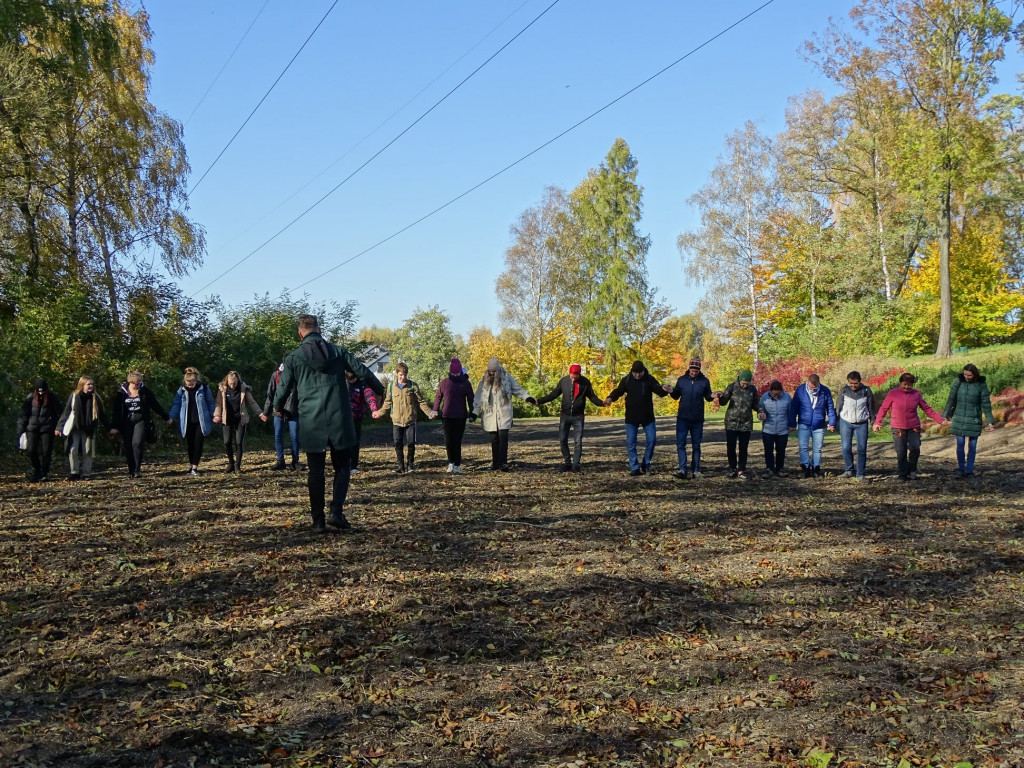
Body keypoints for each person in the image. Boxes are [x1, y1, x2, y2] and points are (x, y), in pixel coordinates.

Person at [274, 314, 385, 532]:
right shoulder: (338, 352)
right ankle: (336, 512)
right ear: (319, 330)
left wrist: (277, 406)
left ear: (300, 334)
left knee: (315, 471)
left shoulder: (294, 357)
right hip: (339, 418)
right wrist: (380, 390)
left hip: (311, 420)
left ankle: (318, 521)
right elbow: (363, 371)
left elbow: (283, 387)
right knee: (342, 466)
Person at [873, 372, 947, 481]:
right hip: (898, 427)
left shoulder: (916, 394)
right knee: (901, 450)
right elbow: (884, 408)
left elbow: (927, 408)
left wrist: (940, 420)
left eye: (909, 385)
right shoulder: (893, 393)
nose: (907, 387)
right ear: (900, 383)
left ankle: (912, 470)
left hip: (913, 426)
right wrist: (877, 422)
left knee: (915, 448)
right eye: (905, 384)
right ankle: (903, 474)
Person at [537, 363, 605, 472]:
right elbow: (553, 394)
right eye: (571, 376)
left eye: (575, 377)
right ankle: (567, 462)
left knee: (578, 441)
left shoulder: (585, 382)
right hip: (565, 415)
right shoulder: (564, 381)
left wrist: (602, 403)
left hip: (578, 416)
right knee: (562, 440)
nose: (573, 379)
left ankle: (576, 464)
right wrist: (539, 401)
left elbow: (592, 397)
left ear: (579, 374)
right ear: (569, 373)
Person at [472, 356, 537, 471]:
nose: (491, 373)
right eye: (489, 371)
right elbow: (478, 397)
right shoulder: (484, 380)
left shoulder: (507, 378)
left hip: (504, 413)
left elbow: (517, 389)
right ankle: (495, 464)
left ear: (497, 370)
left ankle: (503, 463)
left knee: (503, 437)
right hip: (490, 415)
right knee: (494, 439)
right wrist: (474, 413)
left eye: (493, 371)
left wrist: (527, 397)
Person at [606, 360, 667, 476]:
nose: (637, 375)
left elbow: (659, 391)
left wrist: (665, 389)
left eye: (640, 373)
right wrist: (610, 398)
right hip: (631, 416)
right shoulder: (627, 380)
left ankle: (646, 463)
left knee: (652, 440)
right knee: (631, 442)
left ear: (643, 371)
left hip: (647, 416)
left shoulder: (649, 379)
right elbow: (618, 391)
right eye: (635, 373)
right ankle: (634, 466)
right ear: (632, 371)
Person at [372, 362, 434, 473]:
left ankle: (410, 465)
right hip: (396, 420)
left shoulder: (413, 386)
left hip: (410, 420)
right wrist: (379, 413)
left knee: (411, 443)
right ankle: (400, 465)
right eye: (401, 375)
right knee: (397, 443)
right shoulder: (391, 386)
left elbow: (421, 401)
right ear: (397, 374)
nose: (403, 377)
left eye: (405, 375)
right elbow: (387, 402)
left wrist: (429, 413)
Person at [110, 371, 171, 478]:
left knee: (137, 443)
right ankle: (131, 470)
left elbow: (155, 405)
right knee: (128, 445)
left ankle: (137, 469)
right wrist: (114, 426)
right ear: (130, 382)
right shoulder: (121, 392)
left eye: (139, 381)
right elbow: (117, 411)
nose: (138, 384)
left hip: (140, 419)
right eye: (135, 382)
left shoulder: (144, 391)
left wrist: (166, 417)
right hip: (127, 421)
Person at [942, 363, 995, 478]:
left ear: (974, 374)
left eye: (969, 375)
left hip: (974, 419)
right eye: (965, 374)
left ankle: (969, 470)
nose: (966, 377)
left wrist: (990, 421)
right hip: (959, 418)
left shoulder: (981, 384)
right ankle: (961, 468)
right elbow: (951, 399)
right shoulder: (958, 382)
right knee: (960, 445)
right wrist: (945, 415)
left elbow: (986, 404)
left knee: (972, 446)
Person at [665, 358, 715, 479]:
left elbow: (708, 396)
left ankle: (696, 470)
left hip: (697, 419)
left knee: (696, 445)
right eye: (692, 371)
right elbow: (676, 395)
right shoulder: (682, 380)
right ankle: (682, 469)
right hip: (683, 418)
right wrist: (671, 391)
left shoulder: (704, 381)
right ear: (689, 369)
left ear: (699, 370)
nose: (694, 373)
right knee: (681, 444)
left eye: (696, 371)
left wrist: (712, 396)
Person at [55, 376, 108, 480]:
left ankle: (86, 473)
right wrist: (59, 427)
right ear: (82, 385)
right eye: (88, 384)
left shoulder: (95, 397)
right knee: (73, 449)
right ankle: (74, 472)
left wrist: (110, 428)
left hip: (89, 428)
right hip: (75, 427)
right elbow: (67, 411)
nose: (91, 386)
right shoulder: (74, 396)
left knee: (87, 450)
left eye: (92, 384)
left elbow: (102, 414)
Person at [213, 371, 267, 472]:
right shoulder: (222, 389)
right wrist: (217, 415)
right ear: (227, 381)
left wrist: (260, 413)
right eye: (230, 383)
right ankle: (231, 463)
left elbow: (251, 402)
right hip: (227, 418)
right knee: (227, 442)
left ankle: (237, 465)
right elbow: (218, 403)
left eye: (234, 383)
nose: (232, 386)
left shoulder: (243, 389)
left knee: (239, 442)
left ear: (238, 381)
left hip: (240, 418)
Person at [168, 367, 216, 475]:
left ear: (196, 380)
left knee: (198, 443)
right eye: (188, 383)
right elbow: (176, 404)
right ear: (185, 381)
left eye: (192, 383)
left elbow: (210, 403)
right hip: (187, 421)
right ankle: (191, 466)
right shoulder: (181, 390)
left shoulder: (204, 388)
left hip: (201, 421)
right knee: (190, 444)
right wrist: (171, 416)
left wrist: (214, 415)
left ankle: (195, 467)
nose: (190, 385)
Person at [432, 358, 475, 474]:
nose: (455, 375)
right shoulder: (445, 382)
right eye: (453, 373)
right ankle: (450, 462)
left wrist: (473, 413)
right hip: (447, 416)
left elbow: (471, 399)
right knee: (448, 440)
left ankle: (457, 464)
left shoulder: (465, 383)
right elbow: (438, 397)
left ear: (460, 371)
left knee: (457, 440)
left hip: (460, 416)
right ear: (450, 371)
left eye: (457, 373)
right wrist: (435, 410)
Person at [789, 373, 836, 478]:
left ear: (818, 383)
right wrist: (792, 423)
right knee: (803, 447)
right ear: (808, 382)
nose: (813, 389)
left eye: (815, 387)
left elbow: (830, 407)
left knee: (817, 449)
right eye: (811, 387)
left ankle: (816, 468)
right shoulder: (800, 390)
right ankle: (805, 467)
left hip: (819, 424)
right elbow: (794, 408)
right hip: (804, 423)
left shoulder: (825, 391)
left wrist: (832, 422)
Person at [716, 369, 759, 480]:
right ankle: (732, 468)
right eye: (743, 383)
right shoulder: (731, 387)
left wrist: (761, 411)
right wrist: (720, 396)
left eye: (747, 384)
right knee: (731, 447)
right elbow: (723, 402)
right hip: (731, 422)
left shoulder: (752, 389)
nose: (745, 386)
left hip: (746, 423)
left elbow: (755, 404)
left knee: (743, 447)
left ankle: (741, 469)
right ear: (739, 380)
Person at [17, 378, 62, 482]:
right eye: (39, 391)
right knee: (31, 450)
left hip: (47, 428)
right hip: (32, 428)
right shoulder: (30, 398)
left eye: (43, 391)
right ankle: (37, 471)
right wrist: (21, 430)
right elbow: (24, 415)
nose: (41, 393)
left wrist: (58, 427)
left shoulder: (52, 398)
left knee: (46, 451)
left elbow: (59, 413)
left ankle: (45, 472)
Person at [834, 371, 875, 481]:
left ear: (860, 381)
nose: (853, 386)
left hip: (862, 423)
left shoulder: (866, 391)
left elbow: (871, 407)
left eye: (855, 383)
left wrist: (873, 422)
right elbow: (838, 407)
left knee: (862, 448)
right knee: (846, 447)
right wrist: (833, 422)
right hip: (846, 422)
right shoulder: (844, 390)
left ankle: (860, 473)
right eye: (851, 383)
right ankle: (849, 470)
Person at [265, 362, 301, 471]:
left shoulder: (297, 374)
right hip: (278, 410)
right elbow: (270, 393)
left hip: (293, 409)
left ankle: (295, 461)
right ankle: (280, 461)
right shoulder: (276, 375)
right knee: (278, 436)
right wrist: (266, 412)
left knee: (295, 437)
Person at [347, 369, 379, 474]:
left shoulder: (362, 385)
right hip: (343, 418)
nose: (351, 381)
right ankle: (344, 464)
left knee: (355, 442)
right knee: (344, 442)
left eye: (353, 379)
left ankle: (353, 465)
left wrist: (374, 409)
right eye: (349, 379)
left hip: (356, 417)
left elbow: (369, 396)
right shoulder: (342, 383)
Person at [757, 380, 791, 478]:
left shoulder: (787, 397)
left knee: (781, 450)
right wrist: (761, 415)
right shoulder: (765, 397)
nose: (776, 395)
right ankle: (769, 468)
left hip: (783, 429)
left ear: (781, 391)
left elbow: (790, 412)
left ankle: (780, 468)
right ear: (771, 391)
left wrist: (791, 424)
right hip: (768, 429)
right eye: (774, 394)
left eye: (778, 394)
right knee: (768, 450)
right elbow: (760, 410)